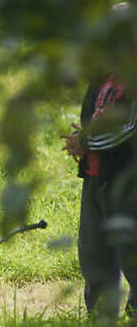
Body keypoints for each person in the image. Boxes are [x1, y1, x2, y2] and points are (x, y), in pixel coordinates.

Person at [62, 24, 137, 321]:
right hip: (96, 179)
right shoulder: (102, 80)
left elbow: (126, 129)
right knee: (93, 253)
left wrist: (85, 141)